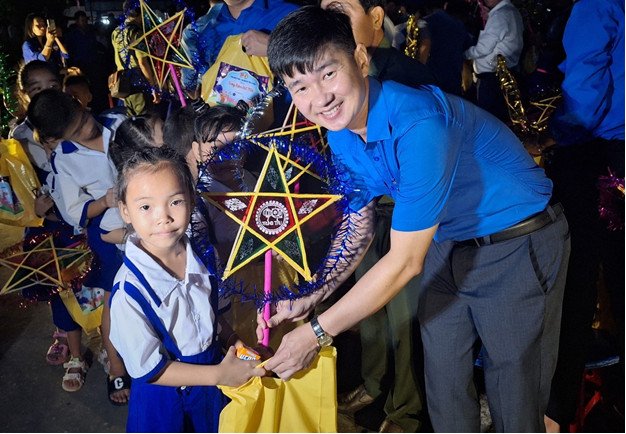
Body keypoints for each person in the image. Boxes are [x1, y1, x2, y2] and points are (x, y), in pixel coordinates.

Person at [259, 7, 571, 432]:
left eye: (328, 73)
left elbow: (406, 261)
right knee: (443, 381)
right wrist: (314, 293)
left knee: (514, 392)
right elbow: (359, 224)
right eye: (300, 86)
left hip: (515, 241)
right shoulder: (340, 132)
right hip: (447, 241)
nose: (320, 98)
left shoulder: (419, 122)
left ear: (360, 59)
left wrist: (315, 332)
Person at [318, 0, 435, 431]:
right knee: (369, 307)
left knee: (404, 314)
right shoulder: (332, 86)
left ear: (376, 18)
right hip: (370, 209)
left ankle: (405, 410)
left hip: (409, 215)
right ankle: (373, 382)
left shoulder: (407, 77)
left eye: (341, 11)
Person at [108, 146, 265, 432]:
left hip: (211, 382)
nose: (163, 217)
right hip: (165, 399)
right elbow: (150, 370)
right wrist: (219, 375)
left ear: (191, 200)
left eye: (175, 201)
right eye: (146, 207)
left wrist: (232, 340)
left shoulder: (205, 256)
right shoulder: (128, 292)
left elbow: (210, 314)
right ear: (125, 211)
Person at [538, 0, 624, 431]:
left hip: (603, 154)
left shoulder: (597, 4)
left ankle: (557, 411)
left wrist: (555, 135)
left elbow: (586, 88)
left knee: (576, 281)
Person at [26, 89, 132, 405]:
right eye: (76, 130)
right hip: (110, 234)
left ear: (79, 102)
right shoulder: (63, 160)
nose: (87, 128)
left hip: (151, 220)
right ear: (56, 138)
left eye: (84, 118)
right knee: (117, 298)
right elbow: (76, 213)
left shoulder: (120, 122)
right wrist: (105, 201)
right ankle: (116, 366)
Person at [9, 60, 86, 385]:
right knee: (57, 285)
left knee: (87, 283)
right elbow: (14, 193)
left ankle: (101, 341)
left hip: (80, 219)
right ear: (24, 94)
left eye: (52, 86)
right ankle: (71, 346)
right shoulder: (18, 138)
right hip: (47, 227)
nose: (44, 94)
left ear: (62, 86)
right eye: (36, 89)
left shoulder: (79, 121)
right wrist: (35, 209)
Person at [180, 0, 299, 97]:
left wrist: (274, 47)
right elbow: (195, 91)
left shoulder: (291, 15)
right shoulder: (201, 31)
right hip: (226, 117)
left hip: (284, 117)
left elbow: (310, 63)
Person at [463, 0, 523, 121]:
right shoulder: (512, 11)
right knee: (501, 115)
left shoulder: (500, 15)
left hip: (491, 74)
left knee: (488, 117)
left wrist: (465, 54)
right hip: (505, 72)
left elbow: (484, 48)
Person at [111, 1, 159, 116]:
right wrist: (153, 87)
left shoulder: (116, 32)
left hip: (123, 84)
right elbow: (142, 62)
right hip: (139, 85)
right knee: (144, 120)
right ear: (139, 13)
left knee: (132, 121)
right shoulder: (137, 33)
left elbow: (118, 59)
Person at [422, 0, 473, 96]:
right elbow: (468, 49)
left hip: (431, 80)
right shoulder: (460, 26)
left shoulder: (426, 23)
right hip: (452, 82)